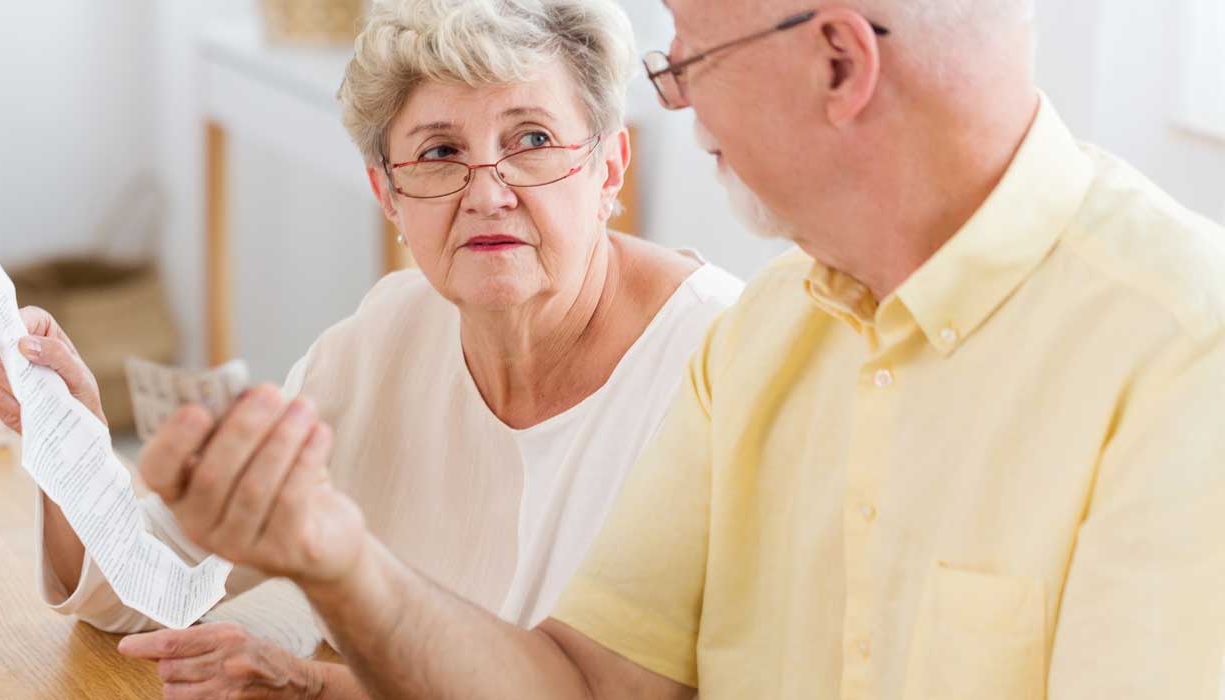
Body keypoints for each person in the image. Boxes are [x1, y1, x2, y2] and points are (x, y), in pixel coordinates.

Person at [135, 0, 1225, 698]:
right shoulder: (765, 335)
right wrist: (336, 555)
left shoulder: (1186, 357)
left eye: (692, 55)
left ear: (839, 63)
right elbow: (578, 688)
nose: (675, 97)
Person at [0, 0, 744, 697]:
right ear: (388, 196)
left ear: (608, 167)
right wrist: (69, 435)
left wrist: (313, 686)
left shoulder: (716, 358)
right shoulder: (388, 335)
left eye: (532, 139)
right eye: (439, 152)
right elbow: (163, 587)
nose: (487, 190)